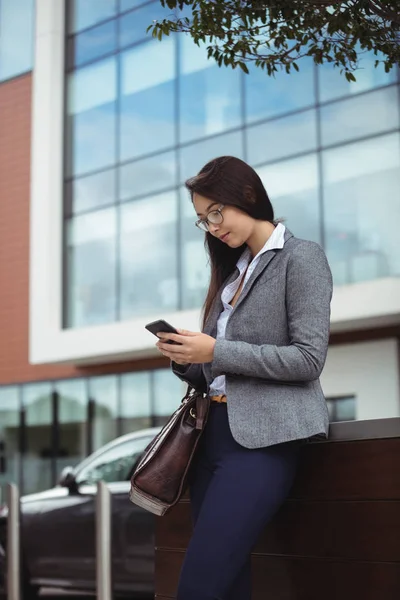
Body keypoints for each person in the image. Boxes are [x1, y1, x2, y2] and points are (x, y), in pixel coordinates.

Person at [156, 156, 333, 600]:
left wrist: (216, 350)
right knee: (228, 584)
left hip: (263, 443)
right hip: (209, 438)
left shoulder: (302, 257)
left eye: (216, 211)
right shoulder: (230, 273)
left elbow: (308, 359)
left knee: (199, 584)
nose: (212, 226)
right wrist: (186, 359)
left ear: (247, 196)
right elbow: (216, 369)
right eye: (202, 219)